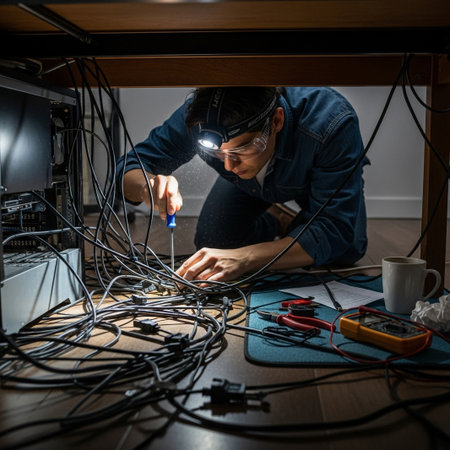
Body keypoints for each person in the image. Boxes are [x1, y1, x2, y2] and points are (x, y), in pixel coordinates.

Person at [117, 87, 368, 285]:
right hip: (248, 187)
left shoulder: (331, 123)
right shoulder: (199, 118)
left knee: (344, 251)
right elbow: (128, 166)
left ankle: (299, 226)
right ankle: (278, 220)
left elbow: (334, 229)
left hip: (316, 183)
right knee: (216, 243)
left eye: (242, 149)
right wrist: (147, 186)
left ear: (277, 121)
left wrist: (246, 258)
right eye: (216, 153)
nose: (228, 166)